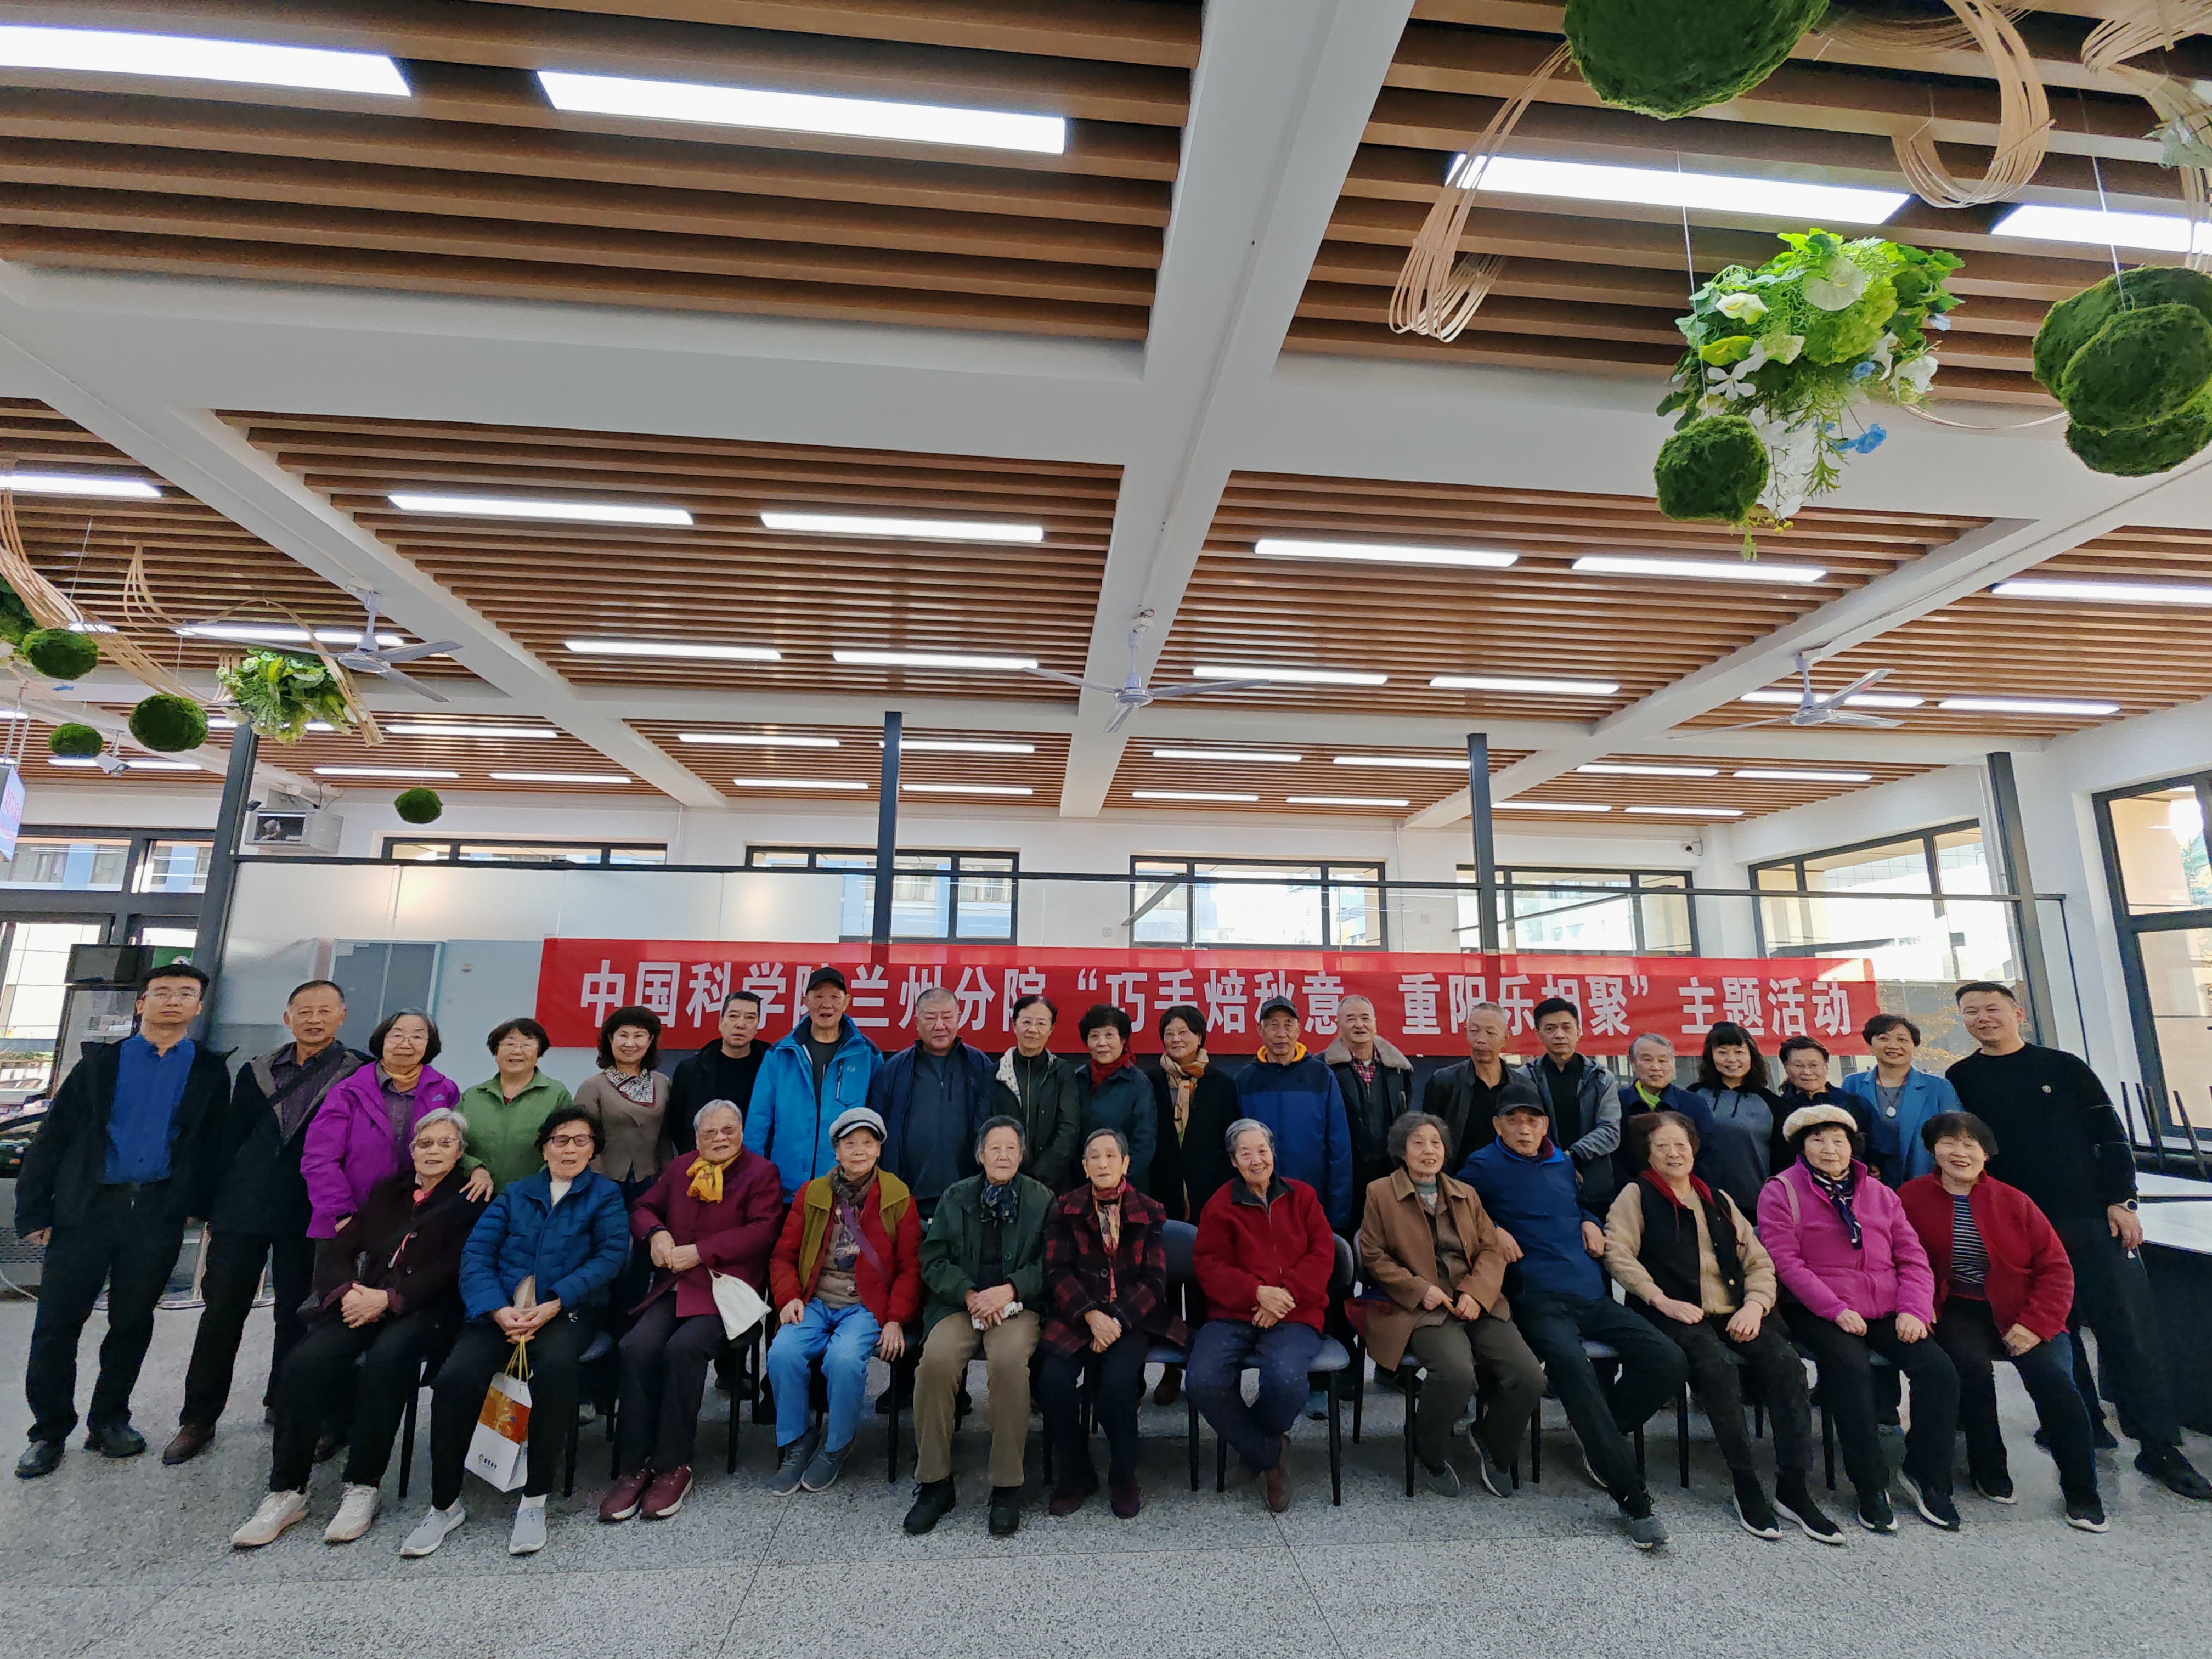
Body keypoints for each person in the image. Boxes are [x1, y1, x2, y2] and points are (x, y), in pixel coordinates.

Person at [1945, 980, 2211, 1500]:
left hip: (2089, 1216)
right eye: (1971, 1012)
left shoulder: (2064, 1067)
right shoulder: (1962, 1078)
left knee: (2125, 1329)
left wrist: (2122, 1199)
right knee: (2053, 1329)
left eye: (1992, 1009)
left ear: (2017, 1013)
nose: (1982, 1018)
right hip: (2018, 1225)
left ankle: (2159, 1445)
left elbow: (2109, 1134)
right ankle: (2081, 1422)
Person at [230, 1108, 486, 1547]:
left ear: (461, 1152)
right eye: (425, 1143)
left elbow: (456, 1267)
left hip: (425, 1309)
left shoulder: (471, 1199)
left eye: (446, 1144)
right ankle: (286, 1489)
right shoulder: (388, 1191)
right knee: (304, 1363)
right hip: (361, 1301)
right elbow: (339, 1248)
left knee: (387, 1362)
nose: (434, 1151)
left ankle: (363, 1484)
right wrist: (348, 1291)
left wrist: (391, 1300)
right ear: (412, 1150)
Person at [15, 963, 233, 1479]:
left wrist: (203, 1208)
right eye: (162, 992)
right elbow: (52, 1138)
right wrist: (34, 1210)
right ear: (141, 1003)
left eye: (186, 994)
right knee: (57, 1324)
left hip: (156, 1212)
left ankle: (110, 1419)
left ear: (199, 1007)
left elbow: (211, 1146)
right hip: (87, 1208)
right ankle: (48, 1431)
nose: (173, 1001)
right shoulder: (100, 1064)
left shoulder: (208, 1070)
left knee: (133, 1322)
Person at [1458, 1084, 1680, 1550]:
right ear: (1498, 1125)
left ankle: (1601, 1435)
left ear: (1545, 1125)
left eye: (1532, 1120)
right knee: (1575, 1373)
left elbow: (1570, 1205)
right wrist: (1493, 1229)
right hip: (1536, 1298)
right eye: (1514, 1121)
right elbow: (1455, 1211)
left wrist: (1588, 1221)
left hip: (1590, 1293)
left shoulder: (1561, 1161)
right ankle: (1633, 1499)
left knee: (1669, 1359)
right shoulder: (1482, 1165)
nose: (1524, 1129)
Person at [402, 1105, 630, 1558]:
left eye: (581, 1141)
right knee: (454, 1379)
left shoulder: (605, 1196)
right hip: (501, 1315)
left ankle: (534, 1498)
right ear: (544, 1149)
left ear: (594, 1150)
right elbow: (477, 1255)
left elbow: (609, 1257)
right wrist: (496, 1310)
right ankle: (444, 1505)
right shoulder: (515, 1194)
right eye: (560, 1140)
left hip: (566, 1312)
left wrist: (555, 1302)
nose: (569, 1149)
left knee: (556, 1372)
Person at [1604, 1112, 1838, 1544]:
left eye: (1681, 1145)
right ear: (1648, 1154)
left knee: (1788, 1367)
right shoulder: (1636, 1195)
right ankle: (1744, 1481)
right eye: (1662, 1147)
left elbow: (1758, 1261)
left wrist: (1755, 1305)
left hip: (1735, 1310)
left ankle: (1794, 1487)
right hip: (1673, 1311)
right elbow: (1618, 1254)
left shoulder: (1718, 1199)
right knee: (1717, 1368)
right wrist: (1659, 1299)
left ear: (1694, 1150)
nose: (1674, 1154)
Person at [167, 978, 368, 1465]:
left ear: (342, 1016)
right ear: (288, 1018)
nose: (314, 1019)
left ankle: (288, 1405)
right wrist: (209, 1204)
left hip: (312, 1210)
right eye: (304, 1011)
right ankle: (199, 1418)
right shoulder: (256, 1070)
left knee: (299, 1316)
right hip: (243, 1208)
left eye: (324, 1011)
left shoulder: (359, 1070)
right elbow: (228, 1139)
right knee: (221, 1314)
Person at [1899, 1111, 2106, 1531]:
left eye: (1969, 1144)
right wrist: (1921, 1305)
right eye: (1948, 1142)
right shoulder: (1910, 1198)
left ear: (1986, 1153)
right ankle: (1988, 1465)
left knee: (2054, 1380)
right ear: (1933, 1150)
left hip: (2025, 1308)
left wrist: (2036, 1324)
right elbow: (1901, 1258)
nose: (1959, 1152)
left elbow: (2056, 1268)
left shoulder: (2014, 1201)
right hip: (1957, 1307)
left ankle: (2082, 1490)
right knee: (1970, 1369)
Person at [1758, 1103, 1960, 1533]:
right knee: (1850, 1371)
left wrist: (1914, 1309)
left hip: (1886, 1304)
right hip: (1818, 1306)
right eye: (1817, 1140)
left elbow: (1912, 1257)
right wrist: (1836, 1309)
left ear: (1853, 1145)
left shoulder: (1881, 1193)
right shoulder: (1782, 1190)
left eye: (1838, 1140)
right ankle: (1871, 1485)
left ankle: (1926, 1473)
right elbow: (1786, 1263)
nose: (1829, 1149)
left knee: (1938, 1370)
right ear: (1801, 1147)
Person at [601, 1098, 783, 1525]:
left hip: (725, 1289)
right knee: (636, 1347)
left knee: (683, 1350)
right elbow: (643, 1208)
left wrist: (700, 1251)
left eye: (728, 1130)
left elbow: (762, 1231)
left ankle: (673, 1465)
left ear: (742, 1133)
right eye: (710, 1132)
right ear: (696, 1137)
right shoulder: (682, 1166)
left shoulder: (761, 1173)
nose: (720, 1139)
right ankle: (634, 1466)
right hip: (675, 1286)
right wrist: (657, 1234)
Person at [1357, 1111, 1542, 1498]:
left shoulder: (1465, 1193)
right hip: (1421, 1307)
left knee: (1529, 1376)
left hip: (1476, 1301)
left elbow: (1491, 1249)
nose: (1429, 1151)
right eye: (1418, 1143)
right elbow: (1373, 1255)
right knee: (1457, 1375)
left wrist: (1477, 1292)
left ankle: (1491, 1439)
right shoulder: (1380, 1193)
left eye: (1436, 1143)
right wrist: (1419, 1289)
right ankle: (1427, 1448)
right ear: (1402, 1150)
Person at [905, 1115, 1052, 1537]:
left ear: (1022, 1155)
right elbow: (933, 1259)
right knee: (935, 1362)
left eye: (1011, 1148)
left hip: (1017, 1305)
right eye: (994, 1148)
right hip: (960, 1304)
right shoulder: (955, 1197)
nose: (1003, 1156)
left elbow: (1051, 1263)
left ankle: (1006, 1486)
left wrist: (1010, 1289)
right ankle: (934, 1482)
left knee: (1008, 1364)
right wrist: (969, 1294)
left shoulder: (1042, 1200)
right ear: (980, 1155)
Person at [763, 1105, 920, 1496]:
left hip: (866, 1305)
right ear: (836, 1151)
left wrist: (896, 1318)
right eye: (850, 1144)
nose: (859, 1151)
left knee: (844, 1359)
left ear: (879, 1149)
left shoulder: (898, 1197)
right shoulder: (812, 1193)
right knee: (783, 1352)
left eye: (868, 1143)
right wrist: (788, 1297)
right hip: (815, 1300)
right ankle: (797, 1438)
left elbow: (911, 1267)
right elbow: (783, 1255)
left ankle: (837, 1444)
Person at [1187, 1118, 1336, 1512]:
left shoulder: (1303, 1196)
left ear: (1273, 1153)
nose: (1256, 1160)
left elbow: (1323, 1253)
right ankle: (1269, 1452)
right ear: (1233, 1161)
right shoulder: (1220, 1204)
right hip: (1234, 1311)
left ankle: (1255, 1449)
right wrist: (1256, 1294)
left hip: (1295, 1310)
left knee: (1287, 1380)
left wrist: (1285, 1296)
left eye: (1262, 1150)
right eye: (1245, 1153)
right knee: (1202, 1380)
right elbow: (1209, 1264)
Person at [1039, 1126, 1184, 1519]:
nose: (1103, 1163)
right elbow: (1056, 1272)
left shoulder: (1149, 1210)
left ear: (1125, 1164)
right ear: (1085, 1167)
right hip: (1078, 1314)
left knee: (1119, 1385)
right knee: (1052, 1382)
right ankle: (1076, 1473)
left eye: (1111, 1156)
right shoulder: (1066, 1208)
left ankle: (1123, 1475)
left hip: (1131, 1318)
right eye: (1095, 1157)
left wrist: (1114, 1322)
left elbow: (1154, 1281)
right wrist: (1091, 1315)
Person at [301, 1009, 464, 1239]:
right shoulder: (348, 1091)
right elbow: (319, 1158)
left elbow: (455, 1150)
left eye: (417, 1036)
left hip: (417, 1223)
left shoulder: (445, 1090)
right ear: (382, 1040)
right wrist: (341, 1214)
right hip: (348, 1220)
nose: (406, 1043)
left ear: (430, 1044)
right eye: (397, 1035)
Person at [1146, 1002, 1235, 1407]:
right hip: (1160, 1195)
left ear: (1200, 1037)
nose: (1176, 1039)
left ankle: (1203, 1368)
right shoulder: (1150, 1081)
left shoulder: (1221, 1084)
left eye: (1184, 1032)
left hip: (1208, 1196)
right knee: (1162, 1285)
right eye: (1169, 1033)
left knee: (1204, 1285)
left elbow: (1230, 1143)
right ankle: (1170, 1370)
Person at [746, 967, 883, 1200]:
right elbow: (758, 1121)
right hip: (786, 1188)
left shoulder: (867, 1055)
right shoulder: (781, 1053)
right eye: (818, 996)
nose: (826, 1004)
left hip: (846, 1188)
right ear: (806, 1001)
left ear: (846, 1002)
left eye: (834, 997)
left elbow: (879, 1121)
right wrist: (753, 1178)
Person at [872, 985, 994, 1223]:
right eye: (930, 1018)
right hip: (907, 1197)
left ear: (959, 1018)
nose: (940, 1026)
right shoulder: (893, 1070)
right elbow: (877, 1134)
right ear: (917, 1022)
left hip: (969, 1198)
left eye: (947, 1017)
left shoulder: (980, 1065)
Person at [1234, 997, 1353, 1230]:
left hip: (1312, 1202)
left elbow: (1339, 1150)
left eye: (1288, 1025)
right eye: (1273, 1025)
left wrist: (1337, 1217)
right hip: (1259, 1204)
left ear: (1298, 1030)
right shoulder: (1245, 1081)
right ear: (1260, 1029)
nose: (1281, 1033)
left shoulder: (1321, 1076)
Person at [1522, 997, 1623, 1212]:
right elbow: (1524, 1127)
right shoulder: (1525, 1079)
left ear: (1579, 1031)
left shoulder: (1601, 1078)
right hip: (1541, 1177)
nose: (1559, 1035)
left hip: (1595, 1184)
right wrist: (1554, 1159)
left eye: (1566, 1027)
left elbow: (1610, 1131)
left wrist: (1572, 1155)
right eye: (1550, 1028)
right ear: (1539, 1035)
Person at [1839, 1013, 1961, 1187]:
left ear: (1914, 1046)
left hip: (1927, 1181)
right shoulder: (1853, 1084)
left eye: (1902, 1040)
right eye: (1883, 1039)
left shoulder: (1938, 1087)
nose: (1893, 1046)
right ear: (1870, 1045)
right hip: (1869, 1184)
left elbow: (1957, 1135)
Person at [456, 1017, 572, 1192]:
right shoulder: (472, 1096)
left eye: (527, 1045)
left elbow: (566, 1146)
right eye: (509, 1044)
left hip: (535, 1196)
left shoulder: (557, 1094)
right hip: (476, 1194)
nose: (517, 1051)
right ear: (496, 1053)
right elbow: (452, 1142)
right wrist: (474, 1168)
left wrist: (538, 1184)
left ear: (539, 1053)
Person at [1690, 1019, 1787, 1218]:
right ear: (1711, 1056)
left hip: (1756, 1205)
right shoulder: (1693, 1096)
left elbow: (1783, 1160)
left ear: (1751, 1056)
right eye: (1722, 1052)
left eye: (1739, 1052)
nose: (1731, 1059)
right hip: (1700, 1202)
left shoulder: (1773, 1104)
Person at [575, 1005, 672, 1199]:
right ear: (611, 1039)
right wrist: (597, 1180)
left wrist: (669, 1175)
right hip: (604, 1183)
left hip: (651, 1180)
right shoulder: (593, 1086)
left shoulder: (662, 1083)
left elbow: (665, 1137)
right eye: (623, 1035)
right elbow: (582, 1138)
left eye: (639, 1036)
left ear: (650, 1040)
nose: (630, 1043)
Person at [1324, 994, 1414, 1202]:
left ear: (1375, 1023)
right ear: (1338, 1025)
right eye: (1351, 1019)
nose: (1359, 1025)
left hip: (1390, 1170)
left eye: (1365, 1018)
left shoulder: (1399, 1069)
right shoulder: (1323, 1069)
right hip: (1343, 1171)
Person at [994, 992, 1079, 1192]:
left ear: (1051, 1029)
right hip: (1003, 1178)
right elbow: (985, 1126)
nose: (1033, 1030)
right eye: (1026, 1022)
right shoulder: (994, 1074)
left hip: (1051, 1184)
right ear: (1014, 1025)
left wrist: (1039, 1175)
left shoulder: (1062, 1073)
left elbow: (1068, 1128)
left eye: (1041, 1023)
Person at [665, 991, 764, 1159]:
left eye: (750, 1018)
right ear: (721, 1022)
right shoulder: (691, 1070)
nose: (741, 1024)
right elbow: (676, 1124)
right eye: (733, 1016)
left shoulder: (771, 1069)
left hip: (755, 1165)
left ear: (757, 1025)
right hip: (703, 1164)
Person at [1074, 1003, 1155, 1195]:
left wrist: (1114, 1179)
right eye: (1094, 1036)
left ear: (1123, 1039)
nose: (1101, 1043)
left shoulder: (1138, 1083)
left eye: (1109, 1035)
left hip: (1124, 1187)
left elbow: (1144, 1143)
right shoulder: (1076, 1078)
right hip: (1080, 1185)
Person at [1422, 1001, 1516, 1165]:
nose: (1481, 1040)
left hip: (1509, 1174)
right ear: (1466, 1033)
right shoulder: (1444, 1082)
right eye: (1474, 1031)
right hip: (1457, 1176)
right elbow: (1429, 1135)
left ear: (1506, 1038)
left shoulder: (1521, 1086)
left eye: (1491, 1033)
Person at [1777, 1034, 1869, 1143]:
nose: (1807, 1072)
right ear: (1786, 1068)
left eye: (1814, 1065)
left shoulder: (1852, 1103)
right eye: (1798, 1066)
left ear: (1825, 1067)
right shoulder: (1778, 1108)